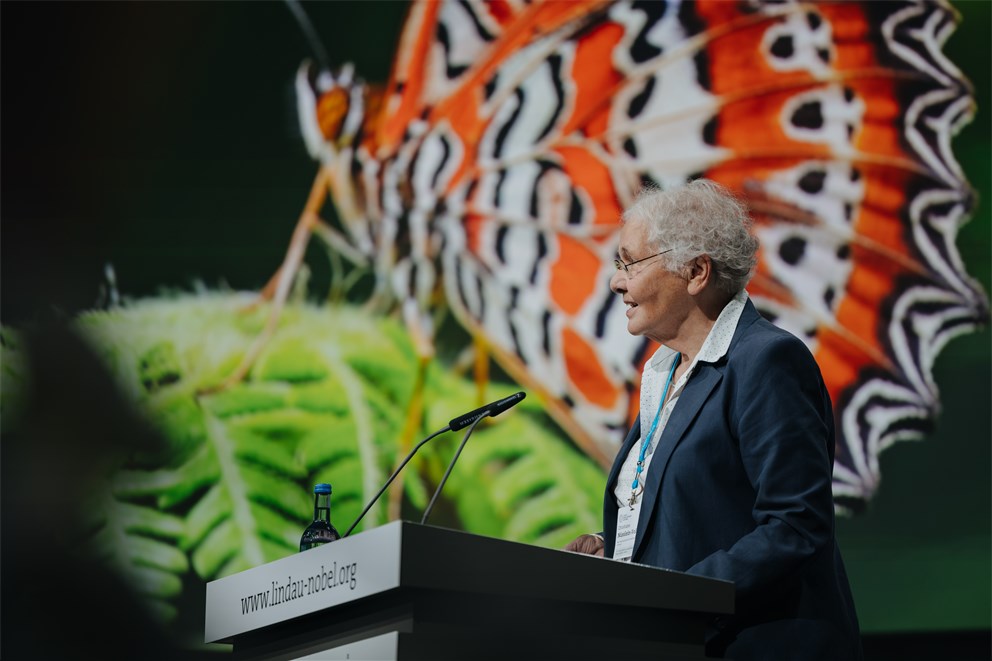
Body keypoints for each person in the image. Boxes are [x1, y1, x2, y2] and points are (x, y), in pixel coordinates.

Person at [565, 180, 862, 660]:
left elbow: (795, 526)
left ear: (697, 271)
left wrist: (673, 598)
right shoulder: (663, 373)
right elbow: (698, 512)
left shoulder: (766, 361)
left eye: (629, 263)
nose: (617, 282)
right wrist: (616, 552)